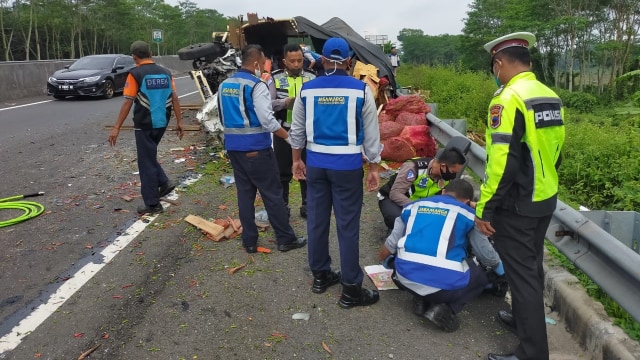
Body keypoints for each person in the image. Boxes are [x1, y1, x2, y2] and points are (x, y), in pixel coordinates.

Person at [475, 32, 565, 360]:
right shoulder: (548, 95)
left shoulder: (508, 98)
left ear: (499, 63)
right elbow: (555, 151)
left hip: (517, 203)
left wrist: (485, 209)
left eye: (494, 67)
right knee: (532, 267)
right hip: (544, 196)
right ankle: (523, 321)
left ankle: (531, 353)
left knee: (522, 275)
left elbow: (502, 163)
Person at [289, 37, 382, 308]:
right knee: (347, 226)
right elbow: (372, 136)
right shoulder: (361, 90)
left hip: (317, 164)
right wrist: (374, 168)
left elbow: (297, 131)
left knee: (317, 220)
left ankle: (320, 275)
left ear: (322, 60)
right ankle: (351, 289)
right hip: (348, 166)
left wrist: (297, 160)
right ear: (350, 61)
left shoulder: (307, 90)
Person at [379, 179, 505, 332]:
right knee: (481, 269)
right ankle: (445, 310)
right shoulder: (469, 215)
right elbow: (486, 254)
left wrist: (385, 262)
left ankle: (422, 299)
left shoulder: (412, 206)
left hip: (404, 279)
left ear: (444, 191)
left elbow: (390, 245)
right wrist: (502, 271)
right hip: (442, 288)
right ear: (467, 201)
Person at [216, 44, 307, 254]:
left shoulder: (225, 84)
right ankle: (285, 238)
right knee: (272, 194)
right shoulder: (257, 85)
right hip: (256, 148)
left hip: (234, 147)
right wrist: (289, 138)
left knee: (245, 195)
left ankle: (249, 241)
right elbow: (267, 120)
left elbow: (222, 117)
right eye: (263, 62)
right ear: (256, 62)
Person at [108, 40, 184, 215]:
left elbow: (128, 101)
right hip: (162, 123)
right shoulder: (166, 73)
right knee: (149, 156)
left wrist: (116, 127)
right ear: (150, 53)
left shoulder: (135, 74)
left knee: (146, 162)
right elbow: (175, 98)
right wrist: (179, 122)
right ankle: (164, 182)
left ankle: (152, 204)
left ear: (134, 58)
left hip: (144, 124)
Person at [268, 44, 316, 218]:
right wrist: (284, 102)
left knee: (307, 170)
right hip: (283, 132)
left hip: (307, 133)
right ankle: (283, 207)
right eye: (292, 61)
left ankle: (308, 205)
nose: (296, 64)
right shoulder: (274, 78)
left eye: (300, 60)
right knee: (282, 173)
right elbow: (267, 104)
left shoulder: (312, 77)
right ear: (284, 61)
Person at [377, 147, 467, 229]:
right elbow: (395, 194)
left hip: (420, 206)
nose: (453, 176)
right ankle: (395, 234)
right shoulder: (413, 167)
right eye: (453, 172)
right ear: (443, 166)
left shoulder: (445, 176)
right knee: (398, 219)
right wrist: (420, 208)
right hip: (392, 199)